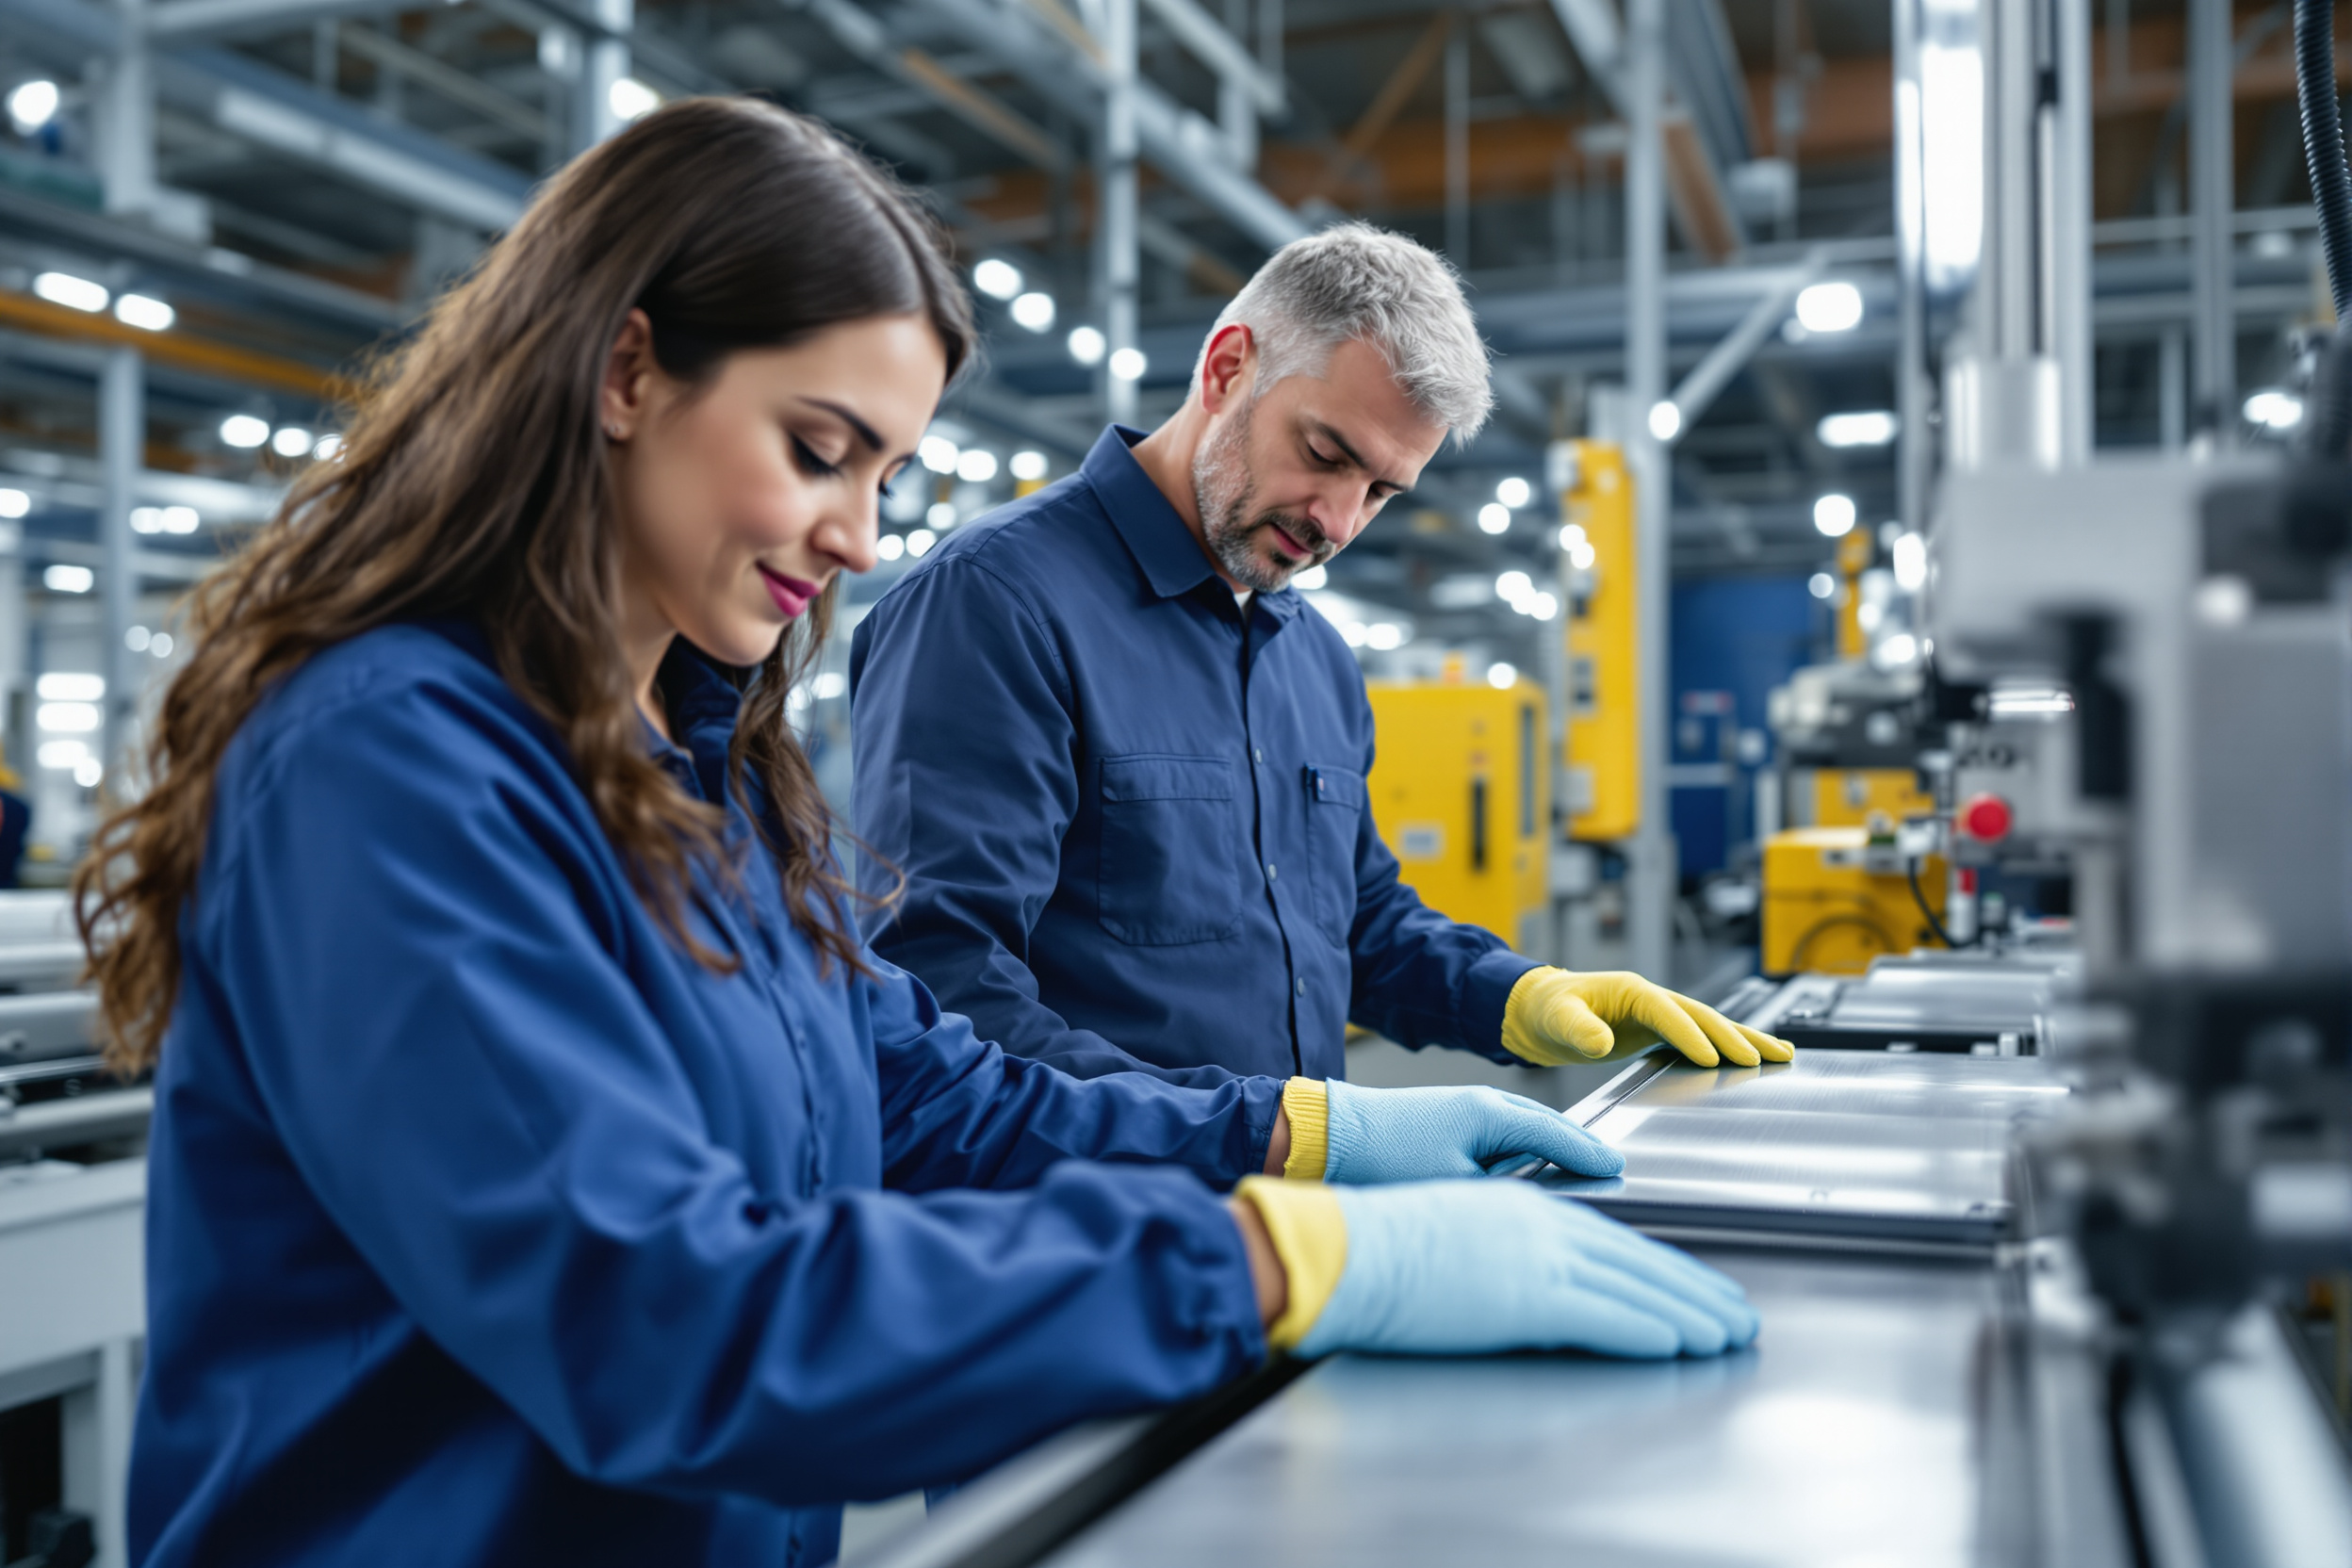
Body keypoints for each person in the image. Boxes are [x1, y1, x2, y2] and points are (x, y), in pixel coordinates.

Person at [75, 101, 1757, 1568]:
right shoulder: (395, 769)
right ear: (626, 366)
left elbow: (934, 1091)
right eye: (821, 450)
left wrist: (1316, 1143)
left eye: (886, 470)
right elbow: (667, 1319)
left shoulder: (702, 772)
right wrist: (1261, 1254)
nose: (863, 533)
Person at [850, 224, 1793, 1090]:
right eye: (1325, 451)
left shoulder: (1315, 660)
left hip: (1280, 1230)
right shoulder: (997, 603)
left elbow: (1356, 923)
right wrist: (1275, 1139)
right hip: (1092, 1240)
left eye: (1382, 489)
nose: (1338, 521)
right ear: (1227, 369)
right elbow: (942, 997)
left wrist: (1519, 996)